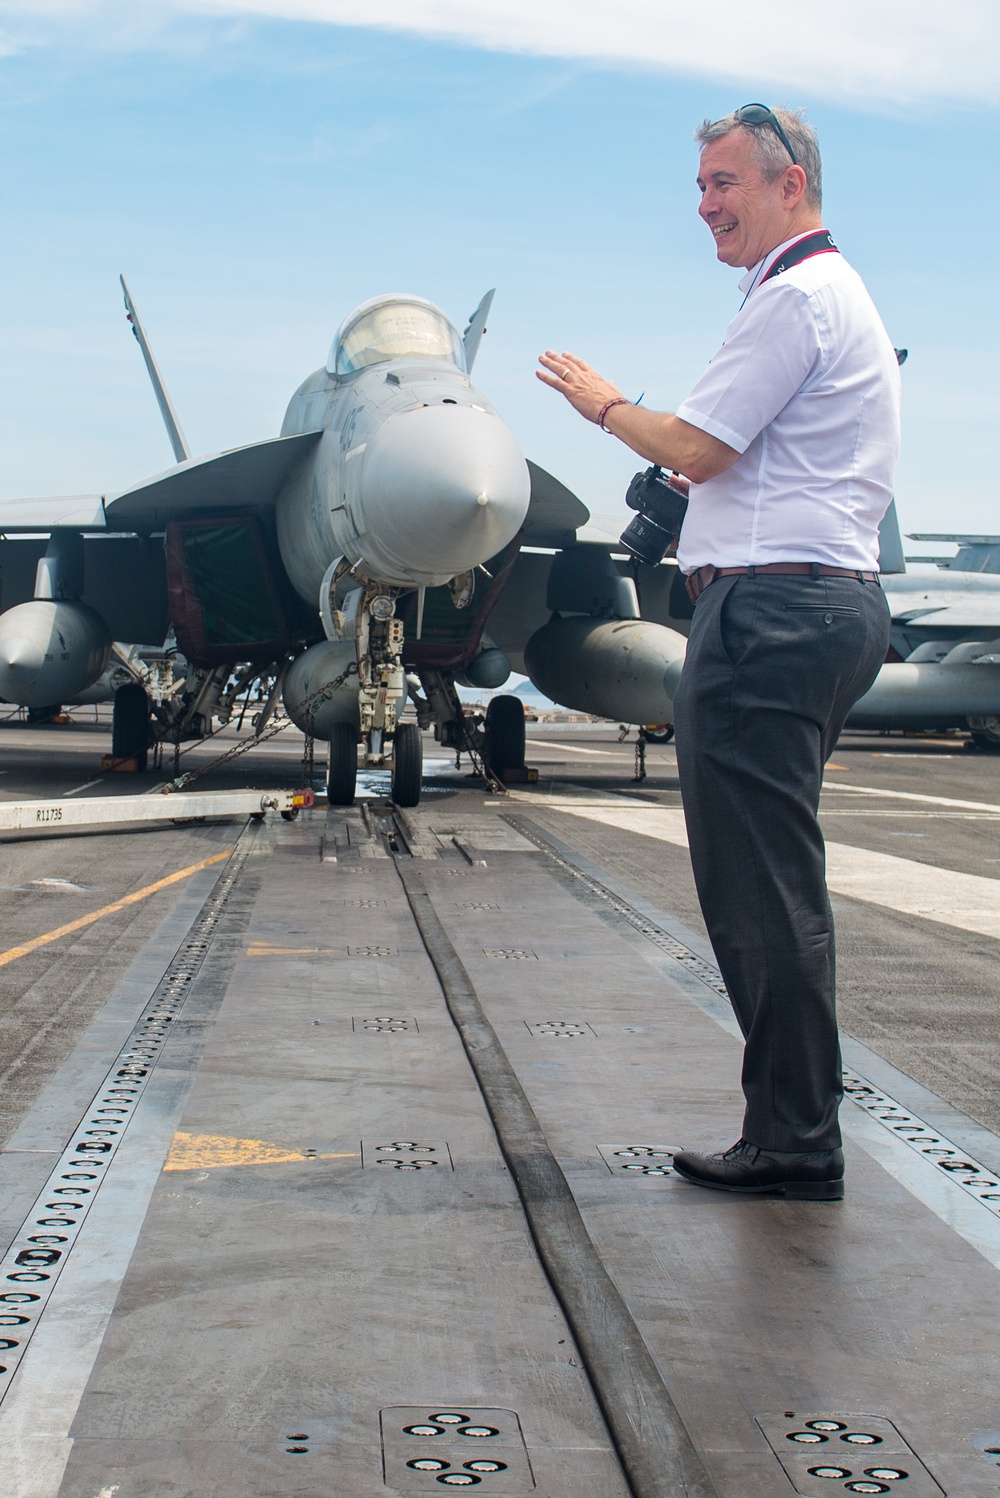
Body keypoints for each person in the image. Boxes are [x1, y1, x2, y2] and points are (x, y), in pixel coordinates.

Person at [537, 104, 900, 1200]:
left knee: (759, 891)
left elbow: (696, 444)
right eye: (698, 185)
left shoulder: (796, 297)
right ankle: (792, 1123)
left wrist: (604, 406)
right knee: (772, 881)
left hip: (772, 616)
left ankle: (793, 1137)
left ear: (791, 186)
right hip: (817, 606)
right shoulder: (823, 296)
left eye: (725, 181)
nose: (705, 203)